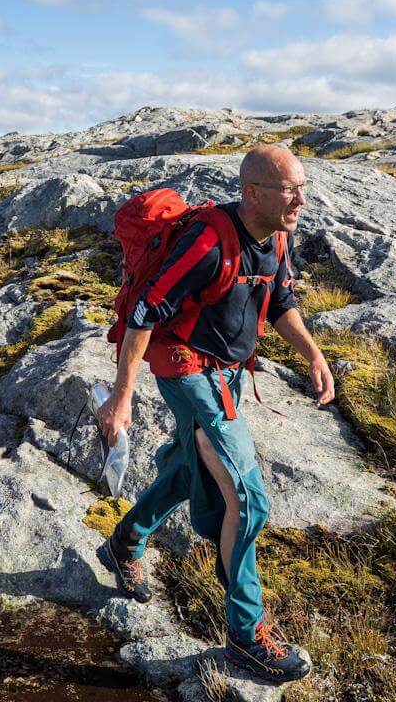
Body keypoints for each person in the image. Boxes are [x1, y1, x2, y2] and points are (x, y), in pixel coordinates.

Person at [95, 145, 336, 684]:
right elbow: (142, 313)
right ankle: (246, 638)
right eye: (289, 189)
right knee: (248, 499)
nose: (300, 198)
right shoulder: (207, 241)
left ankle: (124, 543)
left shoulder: (276, 235)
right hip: (185, 369)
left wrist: (314, 354)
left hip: (225, 371)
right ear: (253, 192)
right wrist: (122, 396)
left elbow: (279, 301)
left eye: (303, 187)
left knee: (188, 470)